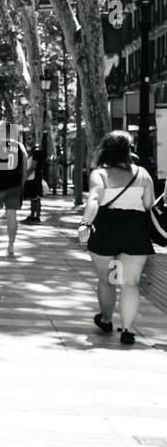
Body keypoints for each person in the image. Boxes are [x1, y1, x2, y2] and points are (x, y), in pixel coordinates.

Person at [78, 131, 155, 345]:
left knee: (108, 279)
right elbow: (149, 205)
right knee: (130, 283)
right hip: (135, 232)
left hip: (106, 231)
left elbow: (94, 198)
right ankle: (128, 330)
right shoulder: (142, 174)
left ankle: (105, 319)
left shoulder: (100, 174)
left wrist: (85, 223)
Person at [0, 120, 32, 257]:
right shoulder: (20, 147)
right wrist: (21, 187)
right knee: (12, 216)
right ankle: (10, 246)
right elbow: (24, 169)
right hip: (15, 187)